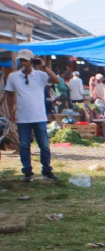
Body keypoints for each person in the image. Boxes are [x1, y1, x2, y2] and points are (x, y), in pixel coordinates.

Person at [4, 49, 59, 182]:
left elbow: (56, 80)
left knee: (44, 145)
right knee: (24, 146)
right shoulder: (13, 76)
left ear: (31, 61)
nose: (23, 63)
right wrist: (11, 110)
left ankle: (47, 170)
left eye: (25, 60)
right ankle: (27, 172)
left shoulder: (40, 75)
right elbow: (10, 94)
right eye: (21, 60)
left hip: (39, 116)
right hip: (23, 117)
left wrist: (44, 66)